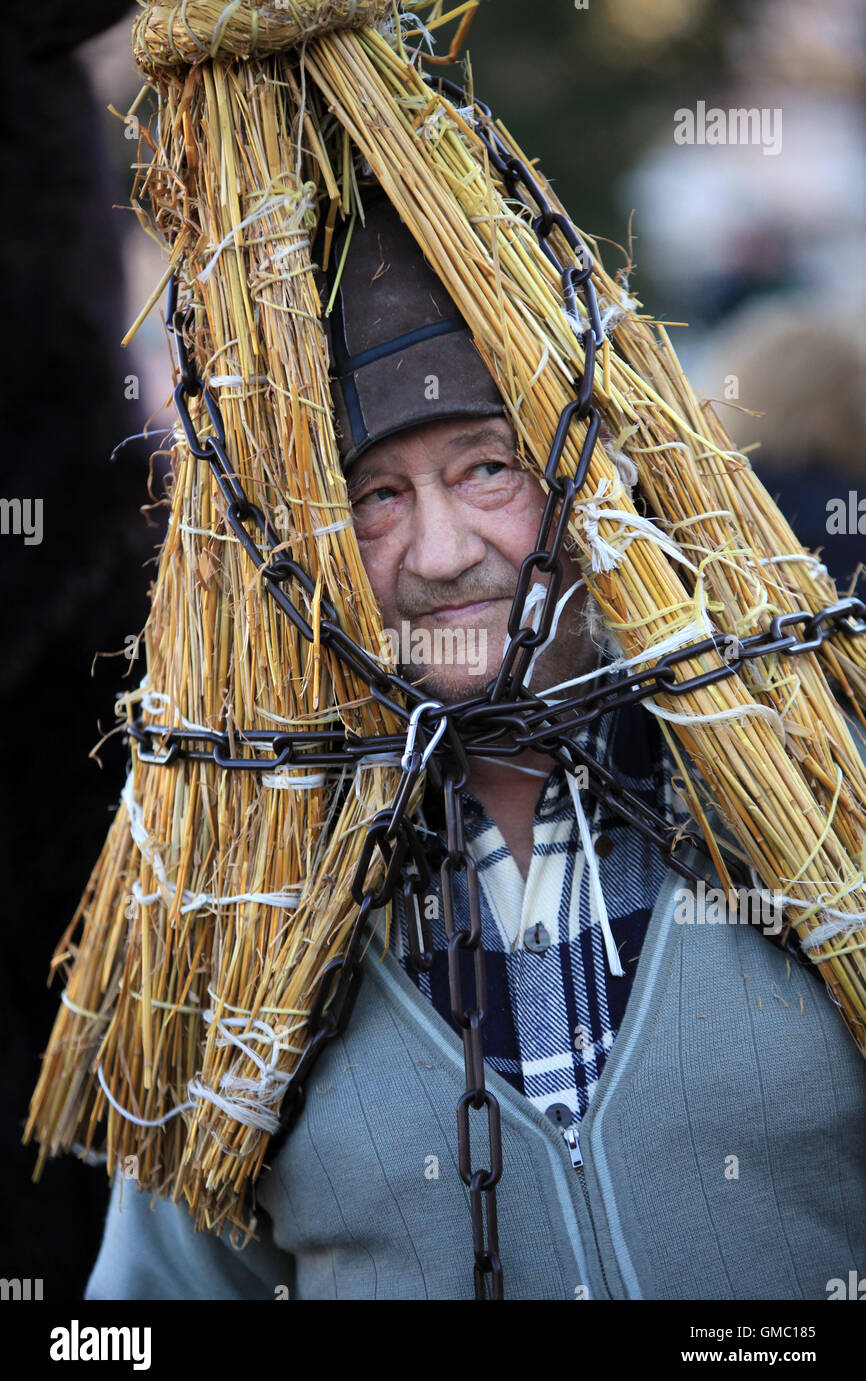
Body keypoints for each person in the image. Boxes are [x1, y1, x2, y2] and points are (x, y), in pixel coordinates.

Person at [85, 194, 866, 1302]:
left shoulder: (815, 780)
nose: (443, 553)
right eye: (376, 498)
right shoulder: (237, 901)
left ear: (584, 475)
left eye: (485, 469)